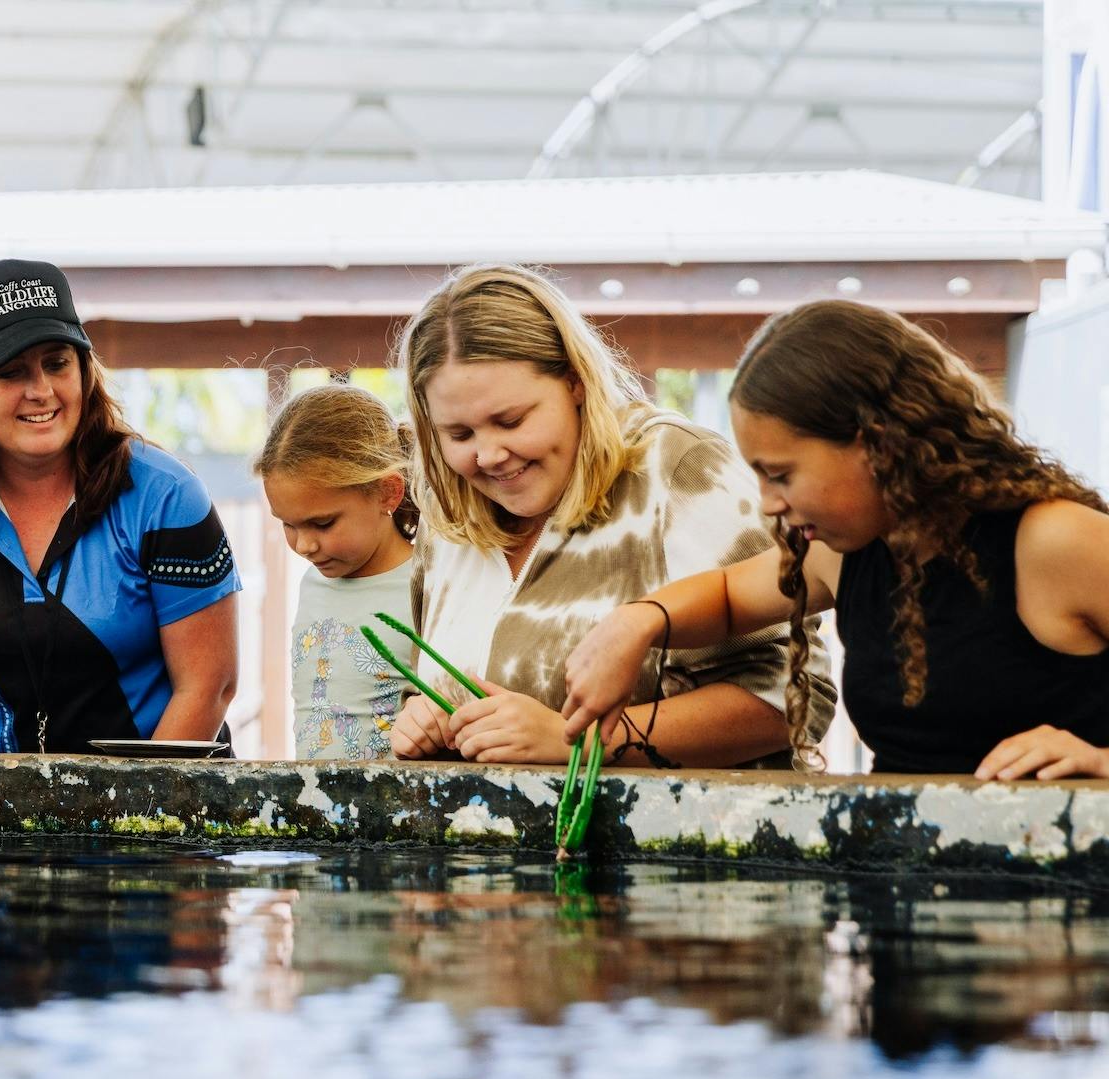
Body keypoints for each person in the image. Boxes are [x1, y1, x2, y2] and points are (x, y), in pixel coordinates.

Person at [562, 299, 1109, 779]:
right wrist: (636, 622)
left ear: (878, 444)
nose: (769, 502)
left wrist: (1100, 759)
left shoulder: (1053, 540)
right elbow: (729, 599)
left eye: (780, 474)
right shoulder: (852, 552)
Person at [390, 263, 834, 768]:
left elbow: (796, 698)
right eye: (459, 435)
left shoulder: (679, 468)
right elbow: (430, 679)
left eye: (510, 420)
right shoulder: (446, 508)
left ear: (576, 383)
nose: (488, 455)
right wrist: (421, 715)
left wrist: (579, 741)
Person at [0, 258, 241, 753]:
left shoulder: (165, 495)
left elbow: (208, 687)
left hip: (163, 809)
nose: (41, 390)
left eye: (57, 362)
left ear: (85, 370)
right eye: (9, 372)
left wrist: (131, 821)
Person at [255, 383, 419, 760]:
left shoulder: (425, 588)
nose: (304, 546)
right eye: (288, 525)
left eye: (323, 523)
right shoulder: (314, 581)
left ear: (387, 492)